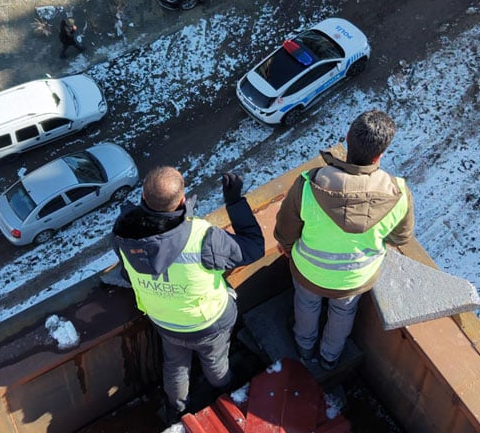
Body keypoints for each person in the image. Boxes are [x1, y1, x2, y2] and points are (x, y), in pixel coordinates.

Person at [112, 168, 265, 423]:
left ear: (142, 195)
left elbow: (133, 268)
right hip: (208, 321)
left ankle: (177, 410)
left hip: (163, 320)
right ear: (182, 201)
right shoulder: (203, 236)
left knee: (175, 365)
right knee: (215, 360)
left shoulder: (123, 234)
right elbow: (253, 248)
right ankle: (225, 392)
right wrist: (235, 202)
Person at [274, 110, 414, 370]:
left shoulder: (309, 185)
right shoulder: (399, 193)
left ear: (348, 138)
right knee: (343, 312)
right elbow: (400, 236)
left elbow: (285, 230)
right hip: (355, 278)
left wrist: (291, 249)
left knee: (306, 304)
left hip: (309, 270)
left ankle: (305, 349)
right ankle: (329, 358)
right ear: (380, 154)